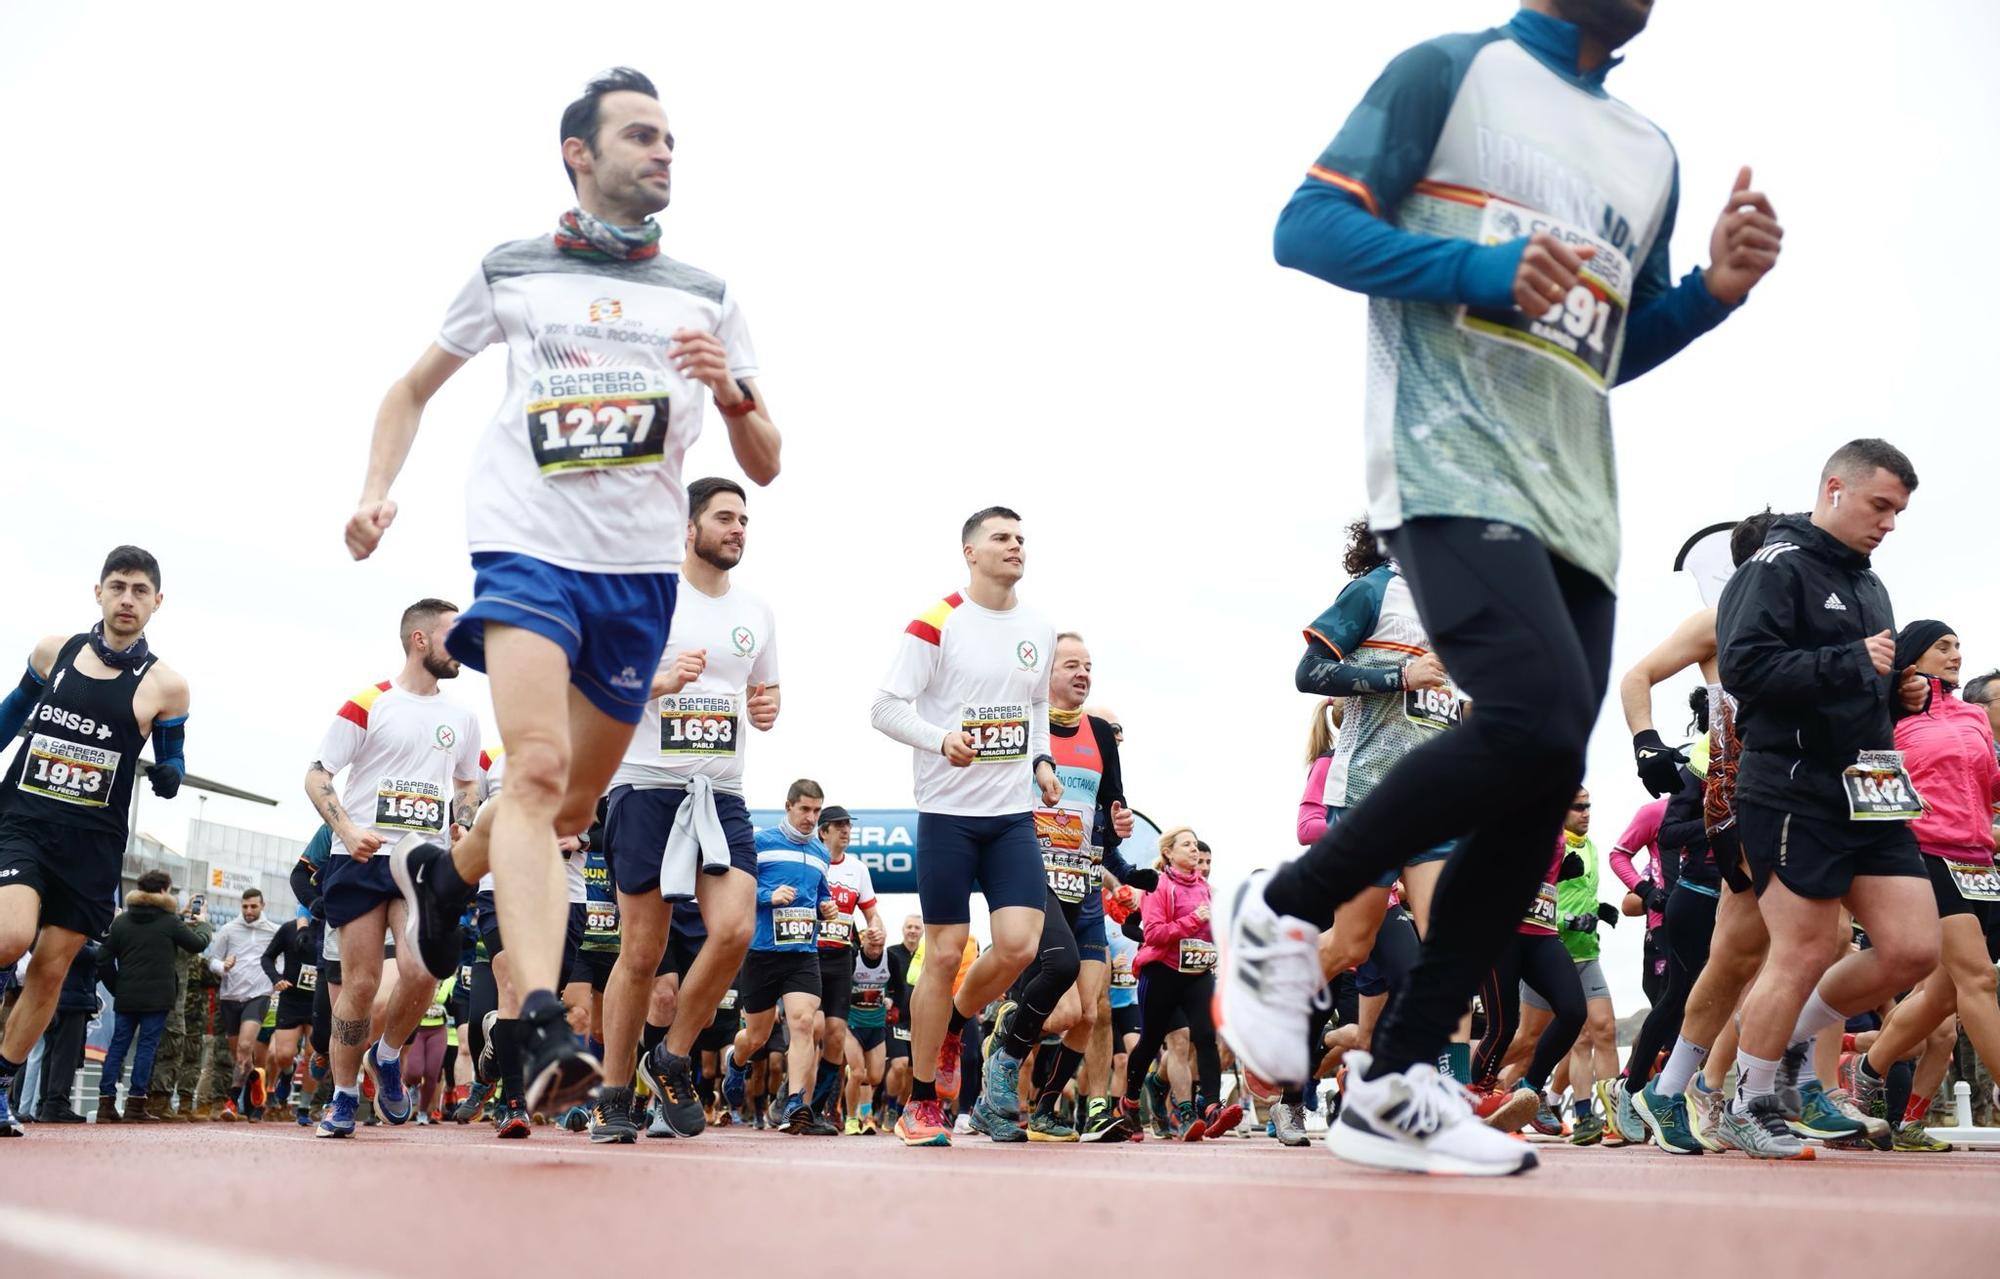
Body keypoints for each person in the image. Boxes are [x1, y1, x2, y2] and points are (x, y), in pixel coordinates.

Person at [1222, 0, 1782, 1177]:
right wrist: (1475, 264)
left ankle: (1393, 1079)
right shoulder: (1450, 71)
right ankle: (1283, 906)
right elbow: (1303, 226)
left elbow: (1606, 343)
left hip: (1576, 503)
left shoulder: (1646, 151)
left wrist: (1707, 297)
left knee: (1539, 770)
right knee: (1527, 720)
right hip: (1440, 457)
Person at [344, 68, 782, 1121]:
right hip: (524, 547)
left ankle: (448, 877)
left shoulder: (706, 293)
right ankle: (534, 1019)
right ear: (577, 154)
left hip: (634, 577)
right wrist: (373, 492)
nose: (664, 151)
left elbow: (764, 460)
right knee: (534, 768)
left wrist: (727, 390)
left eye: (672, 136)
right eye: (640, 135)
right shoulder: (512, 270)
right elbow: (409, 388)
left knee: (570, 805)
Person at [1714, 439, 1932, 1159]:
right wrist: (1850, 662)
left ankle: (1779, 1045)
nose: (1889, 523)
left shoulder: (1870, 582)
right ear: (1835, 487)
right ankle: (1748, 1098)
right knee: (1805, 947)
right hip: (1793, 785)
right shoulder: (1773, 567)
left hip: (1870, 786)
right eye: (1880, 505)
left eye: (1899, 512)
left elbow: (1858, 676)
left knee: (1912, 947)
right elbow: (1744, 668)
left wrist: (1897, 689)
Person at [590, 475, 777, 1142]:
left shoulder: (756, 611)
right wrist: (656, 681)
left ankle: (669, 1055)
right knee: (642, 952)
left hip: (721, 791)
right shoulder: (645, 598)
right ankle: (614, 1092)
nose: (738, 529)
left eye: (745, 520)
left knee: (734, 928)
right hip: (646, 785)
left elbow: (765, 692)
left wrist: (767, 707)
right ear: (688, 527)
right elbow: (593, 681)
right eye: (725, 517)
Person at [870, 507, 1059, 1146]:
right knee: (945, 951)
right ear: (970, 552)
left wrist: (1040, 760)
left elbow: (1035, 705)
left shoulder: (1038, 626)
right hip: (948, 815)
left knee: (1019, 945)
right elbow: (885, 708)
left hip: (1009, 817)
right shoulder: (937, 622)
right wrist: (939, 737)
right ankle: (921, 1103)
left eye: (1021, 539)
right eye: (1002, 538)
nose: (1016, 547)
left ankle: (955, 1022)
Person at [1606, 510, 1783, 1153]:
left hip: (1806, 792)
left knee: (1791, 952)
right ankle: (1703, 1093)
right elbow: (1636, 676)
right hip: (1740, 796)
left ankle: (1714, 1091)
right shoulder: (1719, 621)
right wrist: (1646, 742)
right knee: (1743, 963)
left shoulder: (1816, 617)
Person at [0, 547, 192, 1136]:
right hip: (24, 820)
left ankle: (0, 1087)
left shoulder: (167, 685)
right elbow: (10, 718)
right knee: (9, 938)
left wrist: (171, 775)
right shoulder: (52, 652)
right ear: (99, 593)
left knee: (52, 971)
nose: (127, 599)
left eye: (140, 590)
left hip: (93, 844)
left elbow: (174, 757)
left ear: (157, 601)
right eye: (118, 587)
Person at [302, 600, 483, 1138]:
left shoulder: (463, 718)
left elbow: (468, 784)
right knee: (358, 984)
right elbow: (317, 775)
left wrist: (464, 821)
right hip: (359, 858)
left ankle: (386, 1056)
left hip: (419, 864)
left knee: (423, 970)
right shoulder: (369, 703)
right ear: (420, 640)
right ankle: (342, 1094)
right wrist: (348, 830)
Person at [992, 632, 1156, 1143]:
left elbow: (1110, 811)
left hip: (1082, 881)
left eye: (1088, 666)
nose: (1083, 673)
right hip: (1030, 876)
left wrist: (1122, 842)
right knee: (1061, 1008)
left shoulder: (1102, 735)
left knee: (1094, 1011)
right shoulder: (1026, 727)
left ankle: (1053, 1109)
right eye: (1071, 665)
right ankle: (1004, 1040)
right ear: (1045, 675)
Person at [1850, 623, 2000, 1147]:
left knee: (1944, 997)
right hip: (1923, 853)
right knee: (1978, 981)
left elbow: (1989, 785)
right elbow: (1870, 790)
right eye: (1944, 646)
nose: (1957, 654)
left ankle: (1869, 1069)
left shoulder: (1974, 717)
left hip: (1980, 862)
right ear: (1914, 658)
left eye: (1959, 645)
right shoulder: (1890, 718)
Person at [722, 782, 840, 1135]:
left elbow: (821, 894)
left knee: (804, 1023)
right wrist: (767, 895)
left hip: (802, 954)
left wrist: (826, 906)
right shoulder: (761, 842)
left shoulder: (821, 853)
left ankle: (795, 1104)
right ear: (788, 806)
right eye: (804, 809)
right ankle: (736, 1060)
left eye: (817, 811)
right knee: (755, 1037)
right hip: (762, 953)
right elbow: (734, 887)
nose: (811, 818)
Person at [1116, 829, 1239, 1140]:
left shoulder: (1209, 890)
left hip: (1197, 973)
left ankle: (1207, 1107)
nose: (1194, 850)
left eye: (1196, 844)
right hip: (1162, 972)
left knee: (1203, 1038)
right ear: (1169, 852)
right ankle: (1130, 1102)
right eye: (1187, 845)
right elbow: (1154, 933)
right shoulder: (1158, 886)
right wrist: (1194, 920)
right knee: (1151, 1042)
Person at [95, 871, 211, 1122]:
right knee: (146, 1048)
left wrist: (118, 987)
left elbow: (102, 959)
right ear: (162, 891)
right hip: (158, 998)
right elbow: (197, 944)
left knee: (118, 1047)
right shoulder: (169, 922)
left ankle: (106, 1105)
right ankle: (135, 1105)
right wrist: (203, 923)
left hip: (126, 996)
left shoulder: (123, 921)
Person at [812, 806, 883, 1121]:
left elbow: (871, 914)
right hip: (808, 956)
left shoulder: (858, 869)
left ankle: (819, 1106)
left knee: (836, 1033)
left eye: (848, 826)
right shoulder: (810, 859)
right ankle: (794, 1090)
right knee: (811, 1027)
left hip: (841, 958)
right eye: (838, 826)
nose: (846, 831)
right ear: (823, 831)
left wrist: (877, 930)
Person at [205, 889, 280, 1120]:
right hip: (230, 997)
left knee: (246, 1047)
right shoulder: (228, 930)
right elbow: (212, 960)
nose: (249, 911)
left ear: (262, 905)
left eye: (253, 907)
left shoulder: (273, 931)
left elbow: (282, 958)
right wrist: (222, 966)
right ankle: (255, 1091)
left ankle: (232, 1102)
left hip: (258, 995)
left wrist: (277, 979)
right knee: (240, 1056)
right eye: (245, 907)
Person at [260, 906, 322, 1119]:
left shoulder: (330, 932)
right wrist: (276, 979)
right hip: (291, 1000)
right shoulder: (288, 929)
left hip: (318, 1002)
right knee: (283, 1055)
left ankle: (304, 1107)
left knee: (313, 1057)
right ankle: (287, 1073)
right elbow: (267, 957)